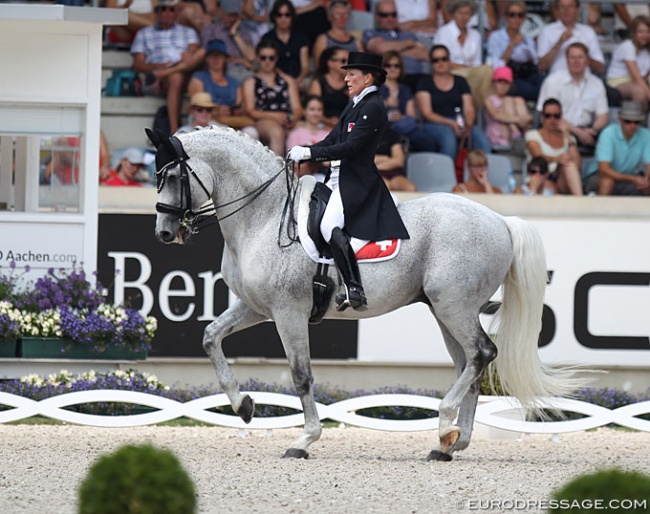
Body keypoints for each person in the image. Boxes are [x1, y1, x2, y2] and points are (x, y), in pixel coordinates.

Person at [287, 52, 410, 312]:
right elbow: (333, 139)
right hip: (337, 178)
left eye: (351, 74)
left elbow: (351, 147)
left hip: (356, 182)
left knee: (329, 224)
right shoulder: (355, 103)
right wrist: (305, 149)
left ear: (368, 77)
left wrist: (310, 153)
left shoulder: (373, 107)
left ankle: (354, 288)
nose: (345, 79)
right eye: (346, 74)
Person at [131, 0, 201, 135]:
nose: (167, 13)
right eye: (163, 9)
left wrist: (186, 56)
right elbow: (138, 65)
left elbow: (193, 53)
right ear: (156, 13)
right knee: (175, 77)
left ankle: (175, 130)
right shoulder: (144, 33)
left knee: (198, 56)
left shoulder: (188, 31)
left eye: (171, 9)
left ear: (177, 12)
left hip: (184, 70)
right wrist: (160, 66)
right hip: (159, 76)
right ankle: (174, 130)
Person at [415, 44, 492, 161]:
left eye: (444, 59)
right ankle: (446, 177)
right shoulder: (424, 83)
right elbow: (427, 113)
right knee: (448, 139)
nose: (440, 63)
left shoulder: (460, 81)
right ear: (431, 63)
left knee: (481, 139)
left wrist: (468, 125)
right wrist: (450, 123)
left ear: (449, 60)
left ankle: (486, 175)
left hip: (459, 122)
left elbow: (469, 109)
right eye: (436, 60)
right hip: (435, 123)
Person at [536, 42, 609, 156]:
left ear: (587, 60)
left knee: (610, 136)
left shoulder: (597, 83)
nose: (576, 61)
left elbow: (603, 116)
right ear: (567, 60)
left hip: (587, 130)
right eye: (573, 57)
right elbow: (550, 115)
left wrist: (593, 130)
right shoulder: (553, 81)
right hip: (558, 129)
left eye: (580, 57)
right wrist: (578, 132)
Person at [242, 40, 303, 156]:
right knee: (276, 132)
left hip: (287, 119)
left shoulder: (287, 80)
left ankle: (307, 169)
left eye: (271, 58)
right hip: (264, 120)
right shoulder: (251, 82)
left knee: (307, 128)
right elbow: (250, 110)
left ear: (277, 59)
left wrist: (291, 119)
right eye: (263, 58)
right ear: (257, 58)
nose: (267, 61)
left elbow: (297, 108)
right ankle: (277, 171)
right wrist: (274, 116)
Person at [187, 38, 257, 132]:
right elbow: (197, 105)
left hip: (232, 121)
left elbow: (241, 106)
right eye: (212, 56)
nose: (216, 59)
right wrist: (215, 111)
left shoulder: (234, 82)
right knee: (215, 129)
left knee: (251, 132)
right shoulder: (198, 78)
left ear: (225, 58)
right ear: (206, 59)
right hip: (207, 119)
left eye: (219, 56)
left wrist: (235, 111)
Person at [434, 0, 493, 110]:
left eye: (467, 13)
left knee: (488, 70)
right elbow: (442, 61)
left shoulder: (476, 35)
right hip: (451, 72)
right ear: (453, 14)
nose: (464, 17)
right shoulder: (444, 32)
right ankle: (482, 108)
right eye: (461, 13)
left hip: (471, 74)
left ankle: (475, 106)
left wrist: (469, 70)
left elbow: (477, 63)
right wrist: (466, 69)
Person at [583, 101, 650, 196]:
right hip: (598, 177)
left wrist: (646, 181)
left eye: (637, 122)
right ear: (620, 119)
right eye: (628, 121)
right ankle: (601, 210)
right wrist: (634, 179)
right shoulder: (608, 133)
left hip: (627, 178)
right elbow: (604, 171)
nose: (632, 125)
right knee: (607, 183)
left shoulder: (646, 135)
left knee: (647, 187)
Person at [363, 0, 430, 92]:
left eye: (393, 15)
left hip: (415, 76)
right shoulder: (371, 33)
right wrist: (408, 44)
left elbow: (424, 54)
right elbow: (378, 48)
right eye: (384, 15)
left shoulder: (408, 35)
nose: (390, 19)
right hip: (387, 77)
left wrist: (389, 50)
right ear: (376, 16)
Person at [486, 0, 544, 103]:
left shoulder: (527, 39)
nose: (516, 19)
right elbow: (496, 65)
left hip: (527, 71)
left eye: (520, 15)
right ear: (506, 17)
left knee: (543, 82)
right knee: (534, 91)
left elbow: (536, 62)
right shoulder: (496, 37)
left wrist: (528, 55)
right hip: (508, 74)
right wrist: (512, 45)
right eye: (512, 15)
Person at [380, 50, 437, 152]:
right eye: (388, 65)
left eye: (397, 66)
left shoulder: (405, 89)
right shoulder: (375, 87)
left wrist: (401, 117)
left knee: (427, 141)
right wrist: (386, 104)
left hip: (403, 126)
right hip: (382, 128)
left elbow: (411, 116)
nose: (392, 69)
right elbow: (367, 109)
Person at [525, 98, 583, 195]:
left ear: (561, 117)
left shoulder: (568, 138)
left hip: (562, 179)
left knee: (569, 163)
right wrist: (559, 158)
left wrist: (566, 133)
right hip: (541, 176)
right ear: (542, 116)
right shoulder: (533, 135)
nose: (552, 120)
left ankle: (581, 201)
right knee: (565, 162)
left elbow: (577, 163)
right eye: (548, 116)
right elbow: (538, 157)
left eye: (556, 116)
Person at [537, 0, 605, 77]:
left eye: (570, 6)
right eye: (562, 7)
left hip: (584, 82)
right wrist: (559, 43)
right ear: (558, 9)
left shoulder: (588, 32)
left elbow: (600, 68)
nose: (566, 10)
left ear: (578, 9)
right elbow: (541, 67)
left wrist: (582, 53)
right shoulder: (547, 31)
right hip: (557, 82)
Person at [200, 0, 257, 83]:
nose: (232, 19)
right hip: (224, 71)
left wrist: (235, 34)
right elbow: (209, 57)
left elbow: (251, 57)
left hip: (245, 72)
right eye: (229, 15)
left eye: (235, 15)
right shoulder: (210, 31)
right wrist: (241, 61)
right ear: (220, 12)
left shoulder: (243, 33)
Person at [260, 0, 310, 90]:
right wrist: (289, 81)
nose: (283, 19)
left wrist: (298, 80)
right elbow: (270, 64)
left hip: (300, 79)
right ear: (274, 17)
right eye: (279, 15)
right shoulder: (268, 38)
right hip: (276, 78)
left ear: (292, 17)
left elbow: (305, 66)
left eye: (287, 15)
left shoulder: (301, 36)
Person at [606, 16, 650, 111]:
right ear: (634, 33)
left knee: (641, 89)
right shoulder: (628, 46)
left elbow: (645, 77)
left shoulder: (647, 51)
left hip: (638, 82)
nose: (645, 35)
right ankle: (639, 123)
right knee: (639, 92)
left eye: (648, 32)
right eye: (641, 32)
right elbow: (636, 78)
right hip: (618, 82)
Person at [483, 66, 531, 151]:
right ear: (494, 83)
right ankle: (516, 133)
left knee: (518, 100)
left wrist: (524, 119)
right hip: (498, 131)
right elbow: (495, 116)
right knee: (507, 100)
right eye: (499, 82)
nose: (503, 86)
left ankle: (525, 133)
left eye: (506, 83)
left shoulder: (513, 100)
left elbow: (528, 117)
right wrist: (518, 119)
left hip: (517, 127)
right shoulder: (489, 99)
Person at [286, 95, 330, 177]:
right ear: (304, 111)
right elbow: (292, 162)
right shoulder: (296, 134)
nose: (315, 113)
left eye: (319, 110)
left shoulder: (328, 135)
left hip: (323, 176)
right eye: (312, 109)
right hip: (299, 179)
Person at [312, 0, 363, 68]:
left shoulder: (356, 41)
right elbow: (319, 66)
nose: (342, 17)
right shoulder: (323, 39)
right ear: (330, 16)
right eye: (338, 14)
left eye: (345, 13)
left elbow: (362, 65)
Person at [308, 46, 350, 129]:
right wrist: (327, 121)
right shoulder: (318, 82)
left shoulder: (350, 82)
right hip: (321, 124)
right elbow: (312, 109)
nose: (347, 64)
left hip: (345, 125)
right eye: (343, 61)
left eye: (349, 61)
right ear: (330, 63)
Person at [375, 125, 416, 191]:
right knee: (385, 186)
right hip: (372, 174)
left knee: (410, 188)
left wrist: (376, 162)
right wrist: (386, 159)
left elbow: (398, 161)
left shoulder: (390, 133)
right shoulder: (360, 133)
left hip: (393, 172)